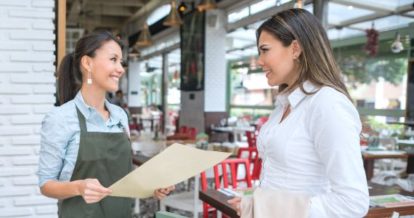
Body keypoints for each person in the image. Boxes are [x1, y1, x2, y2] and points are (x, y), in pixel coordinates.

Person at [228, 8, 369, 217]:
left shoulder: (327, 104)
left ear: (295, 48)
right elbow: (284, 182)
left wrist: (268, 208)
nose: (259, 61)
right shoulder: (284, 104)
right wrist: (256, 204)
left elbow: (352, 202)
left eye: (265, 50)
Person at [37, 31, 174, 218]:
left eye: (121, 62)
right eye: (113, 59)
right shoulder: (60, 118)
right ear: (87, 63)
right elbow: (46, 185)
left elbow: (121, 178)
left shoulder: (120, 116)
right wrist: (78, 187)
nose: (121, 68)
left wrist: (152, 187)